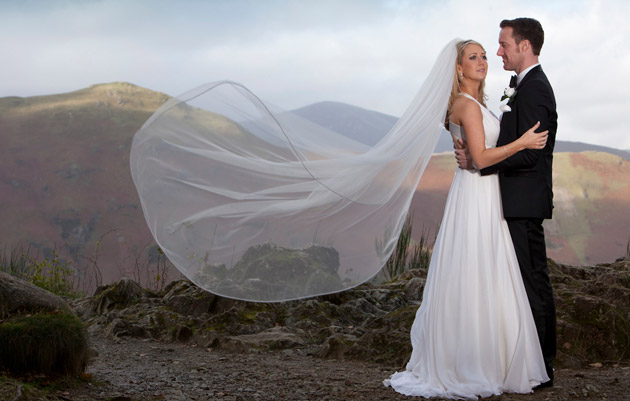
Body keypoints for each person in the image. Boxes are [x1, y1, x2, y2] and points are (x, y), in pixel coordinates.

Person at [384, 39, 550, 399]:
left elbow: (475, 156)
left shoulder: (475, 104)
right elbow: (482, 156)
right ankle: (478, 362)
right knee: (480, 270)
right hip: (478, 195)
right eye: (472, 57)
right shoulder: (465, 105)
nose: (483, 61)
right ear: (458, 68)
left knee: (483, 270)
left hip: (480, 192)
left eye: (485, 56)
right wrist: (521, 142)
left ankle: (489, 357)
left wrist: (475, 157)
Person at [456, 18, 557, 387]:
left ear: (524, 46)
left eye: (503, 45)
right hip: (507, 202)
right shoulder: (522, 87)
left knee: (532, 284)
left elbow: (532, 154)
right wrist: (476, 154)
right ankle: (517, 360)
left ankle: (542, 367)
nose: (497, 52)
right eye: (486, 51)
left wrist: (478, 163)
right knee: (516, 285)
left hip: (523, 202)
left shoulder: (535, 90)